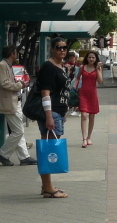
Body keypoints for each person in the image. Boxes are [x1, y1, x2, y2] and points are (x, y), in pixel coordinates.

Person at [36, 37, 71, 198]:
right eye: (58, 47)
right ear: (52, 49)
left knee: (49, 149)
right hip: (52, 113)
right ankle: (48, 188)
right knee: (48, 150)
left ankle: (47, 186)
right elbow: (45, 93)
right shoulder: (49, 66)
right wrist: (49, 116)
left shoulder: (60, 66)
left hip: (58, 113)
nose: (62, 50)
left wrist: (63, 113)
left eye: (64, 47)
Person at [0, 46, 36, 166]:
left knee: (18, 130)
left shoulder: (7, 65)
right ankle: (3, 154)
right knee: (18, 131)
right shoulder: (2, 66)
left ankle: (24, 157)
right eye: (16, 53)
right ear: (12, 53)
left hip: (13, 101)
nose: (17, 55)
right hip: (8, 102)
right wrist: (19, 85)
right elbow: (4, 83)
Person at [74, 51, 103, 148]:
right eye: (89, 57)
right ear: (87, 58)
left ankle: (89, 137)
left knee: (92, 117)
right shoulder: (82, 67)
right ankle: (84, 139)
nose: (91, 59)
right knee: (83, 115)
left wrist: (98, 69)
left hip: (93, 94)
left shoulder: (98, 68)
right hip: (83, 93)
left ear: (96, 59)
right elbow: (77, 78)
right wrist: (74, 86)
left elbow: (100, 81)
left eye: (93, 57)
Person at [65, 52, 80, 116]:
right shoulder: (67, 64)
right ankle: (70, 107)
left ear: (75, 58)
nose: (71, 59)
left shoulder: (77, 64)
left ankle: (75, 109)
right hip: (69, 81)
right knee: (70, 94)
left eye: (72, 58)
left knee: (76, 95)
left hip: (76, 81)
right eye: (70, 58)